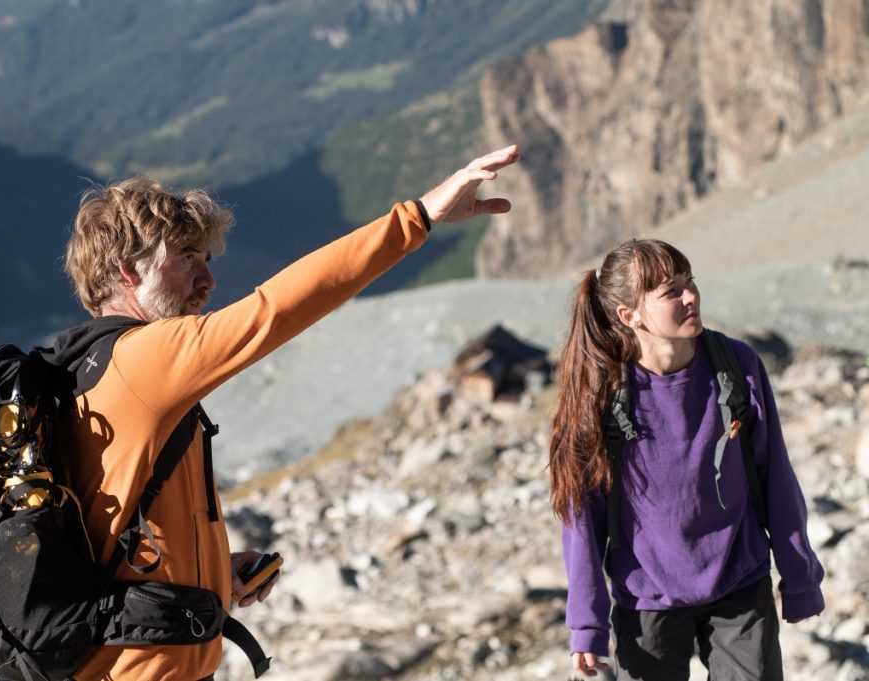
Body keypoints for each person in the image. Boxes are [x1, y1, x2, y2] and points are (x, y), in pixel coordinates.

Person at [53, 145, 519, 681]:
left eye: (206, 260)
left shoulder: (90, 368)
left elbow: (111, 532)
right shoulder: (146, 359)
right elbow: (276, 309)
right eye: (186, 258)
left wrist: (210, 574)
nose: (207, 281)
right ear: (127, 272)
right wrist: (418, 217)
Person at [548, 239, 825, 680]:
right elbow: (581, 517)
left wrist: (800, 579)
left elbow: (776, 477)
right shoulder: (599, 395)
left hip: (740, 583)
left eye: (689, 282)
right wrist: (586, 624)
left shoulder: (737, 365)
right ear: (629, 316)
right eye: (670, 291)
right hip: (646, 603)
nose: (691, 296)